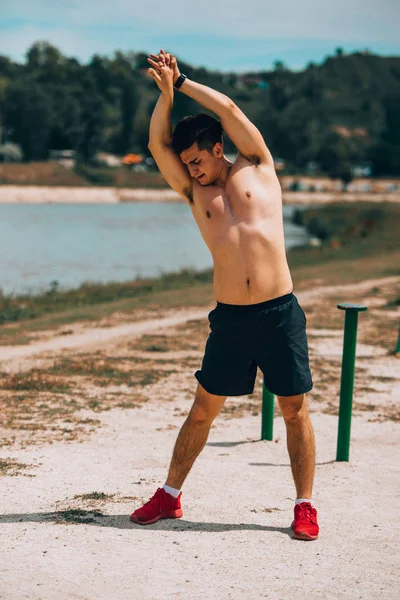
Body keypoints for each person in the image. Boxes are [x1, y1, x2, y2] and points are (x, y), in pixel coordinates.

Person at [130, 49, 319, 540]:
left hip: (280, 313)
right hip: (232, 318)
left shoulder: (258, 165)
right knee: (203, 408)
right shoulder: (195, 194)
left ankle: (304, 505)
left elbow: (232, 110)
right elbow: (156, 144)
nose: (190, 170)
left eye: (196, 160)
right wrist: (166, 95)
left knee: (295, 410)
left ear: (218, 148)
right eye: (185, 164)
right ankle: (169, 496)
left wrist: (185, 80)